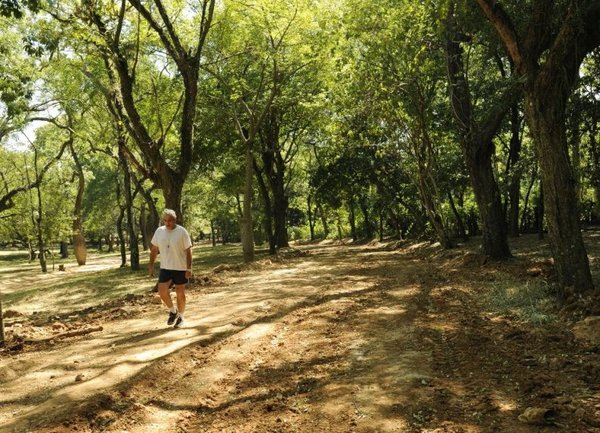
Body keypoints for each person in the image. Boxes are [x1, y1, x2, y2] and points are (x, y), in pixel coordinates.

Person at [148, 209, 193, 328]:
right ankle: (173, 311)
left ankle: (182, 318)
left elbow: (188, 251)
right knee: (162, 291)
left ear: (175, 220)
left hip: (180, 267)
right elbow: (154, 250)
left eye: (170, 221)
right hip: (165, 267)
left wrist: (189, 268)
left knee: (180, 293)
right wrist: (151, 265)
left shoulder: (182, 232)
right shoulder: (159, 231)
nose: (167, 223)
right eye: (165, 220)